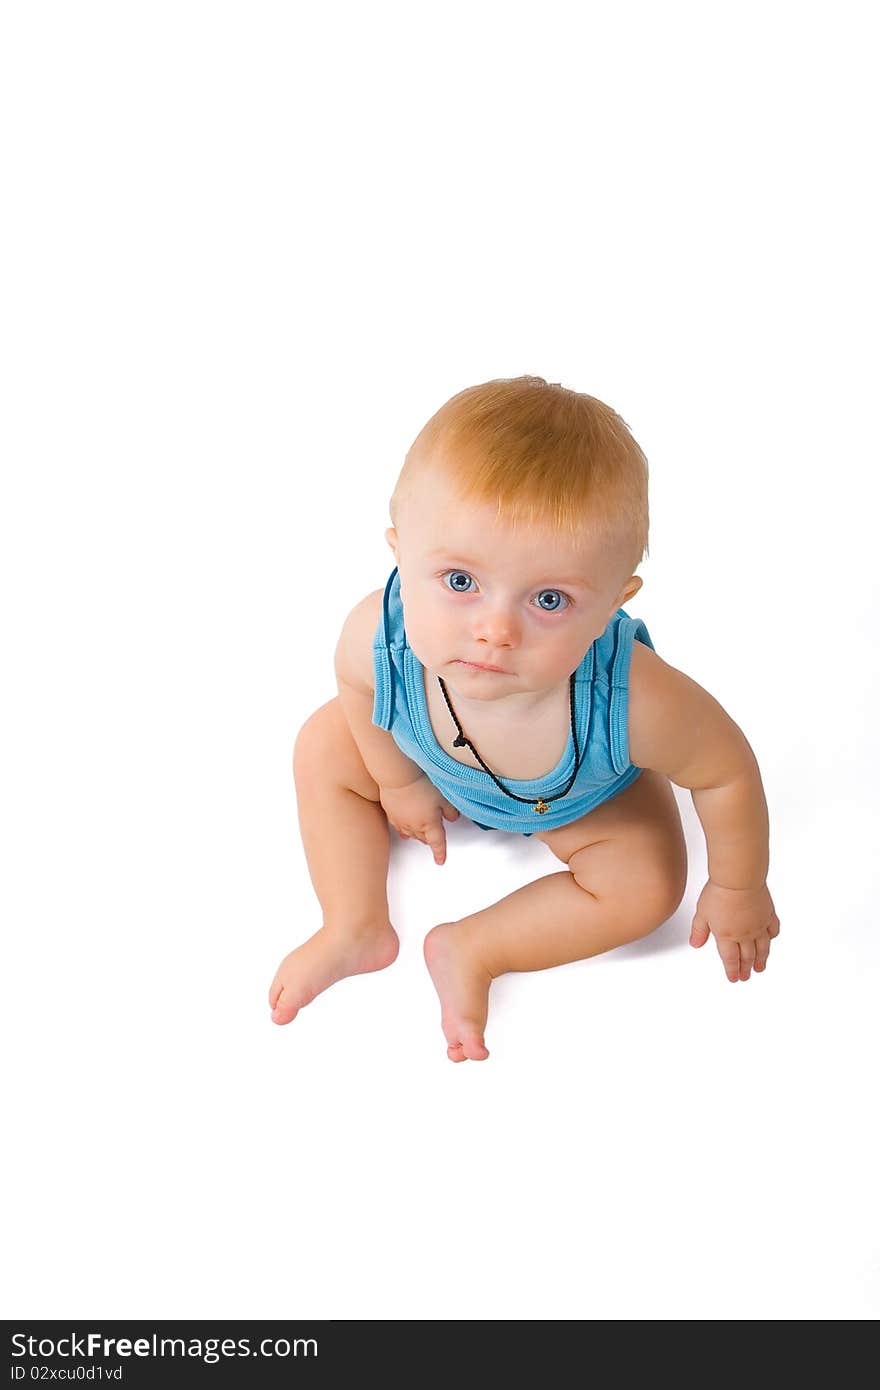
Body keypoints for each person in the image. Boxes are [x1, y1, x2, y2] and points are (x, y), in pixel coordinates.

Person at [269, 376, 780, 1061]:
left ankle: (476, 945)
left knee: (650, 881)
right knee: (323, 745)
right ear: (401, 551)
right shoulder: (378, 634)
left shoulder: (634, 699)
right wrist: (397, 781)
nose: (494, 630)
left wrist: (739, 884)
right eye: (459, 582)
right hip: (430, 759)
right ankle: (353, 922)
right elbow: (354, 688)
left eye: (547, 599)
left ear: (610, 604)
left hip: (575, 797)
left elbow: (726, 771)